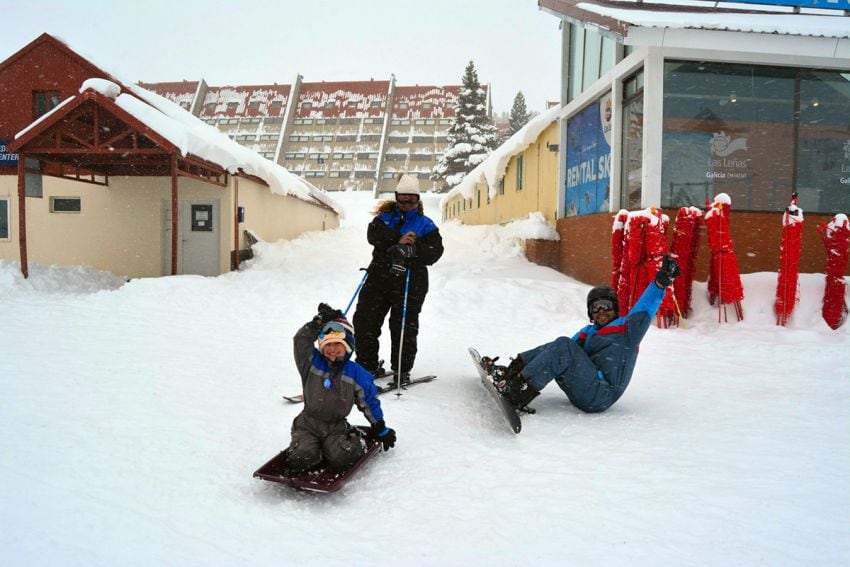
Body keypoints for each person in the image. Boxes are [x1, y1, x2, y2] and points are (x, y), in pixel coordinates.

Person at [484, 255, 681, 413]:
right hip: (585, 386)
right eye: (596, 307)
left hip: (601, 394)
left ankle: (518, 392)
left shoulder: (627, 330)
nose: (601, 311)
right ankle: (511, 374)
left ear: (615, 309)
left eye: (606, 305)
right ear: (590, 313)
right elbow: (556, 353)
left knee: (563, 346)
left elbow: (645, 308)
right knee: (559, 345)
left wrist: (660, 284)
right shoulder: (589, 332)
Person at [353, 173, 444, 384]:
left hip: (411, 281)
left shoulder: (425, 224)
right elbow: (373, 236)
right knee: (365, 321)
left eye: (411, 199)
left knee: (403, 325)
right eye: (402, 198)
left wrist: (413, 249)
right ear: (396, 196)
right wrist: (397, 240)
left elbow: (435, 252)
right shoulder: (384, 218)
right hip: (379, 277)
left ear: (418, 199)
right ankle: (367, 365)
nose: (406, 203)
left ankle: (402, 369)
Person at [286, 303, 396, 472]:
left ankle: (353, 439)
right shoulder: (311, 362)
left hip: (335, 427)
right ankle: (315, 450)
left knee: (343, 459)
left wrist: (380, 427)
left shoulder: (356, 374)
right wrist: (318, 322)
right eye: (327, 345)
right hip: (307, 423)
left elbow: (368, 401)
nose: (332, 349)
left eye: (338, 344)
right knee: (301, 458)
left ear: (348, 346)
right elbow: (301, 340)